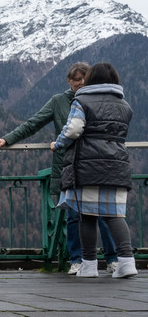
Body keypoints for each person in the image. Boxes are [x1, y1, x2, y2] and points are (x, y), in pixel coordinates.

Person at [0, 62, 118, 275]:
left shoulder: (94, 100)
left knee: (102, 213)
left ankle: (112, 259)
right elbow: (33, 123)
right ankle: (76, 260)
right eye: (76, 79)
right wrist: (8, 139)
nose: (80, 83)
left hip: (93, 164)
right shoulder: (58, 102)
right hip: (69, 167)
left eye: (84, 78)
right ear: (69, 81)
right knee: (73, 215)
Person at [50, 62, 138, 278]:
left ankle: (88, 266)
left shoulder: (81, 100)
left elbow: (73, 129)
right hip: (117, 164)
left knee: (86, 216)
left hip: (87, 165)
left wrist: (58, 143)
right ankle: (127, 262)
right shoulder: (124, 104)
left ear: (90, 79)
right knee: (115, 215)